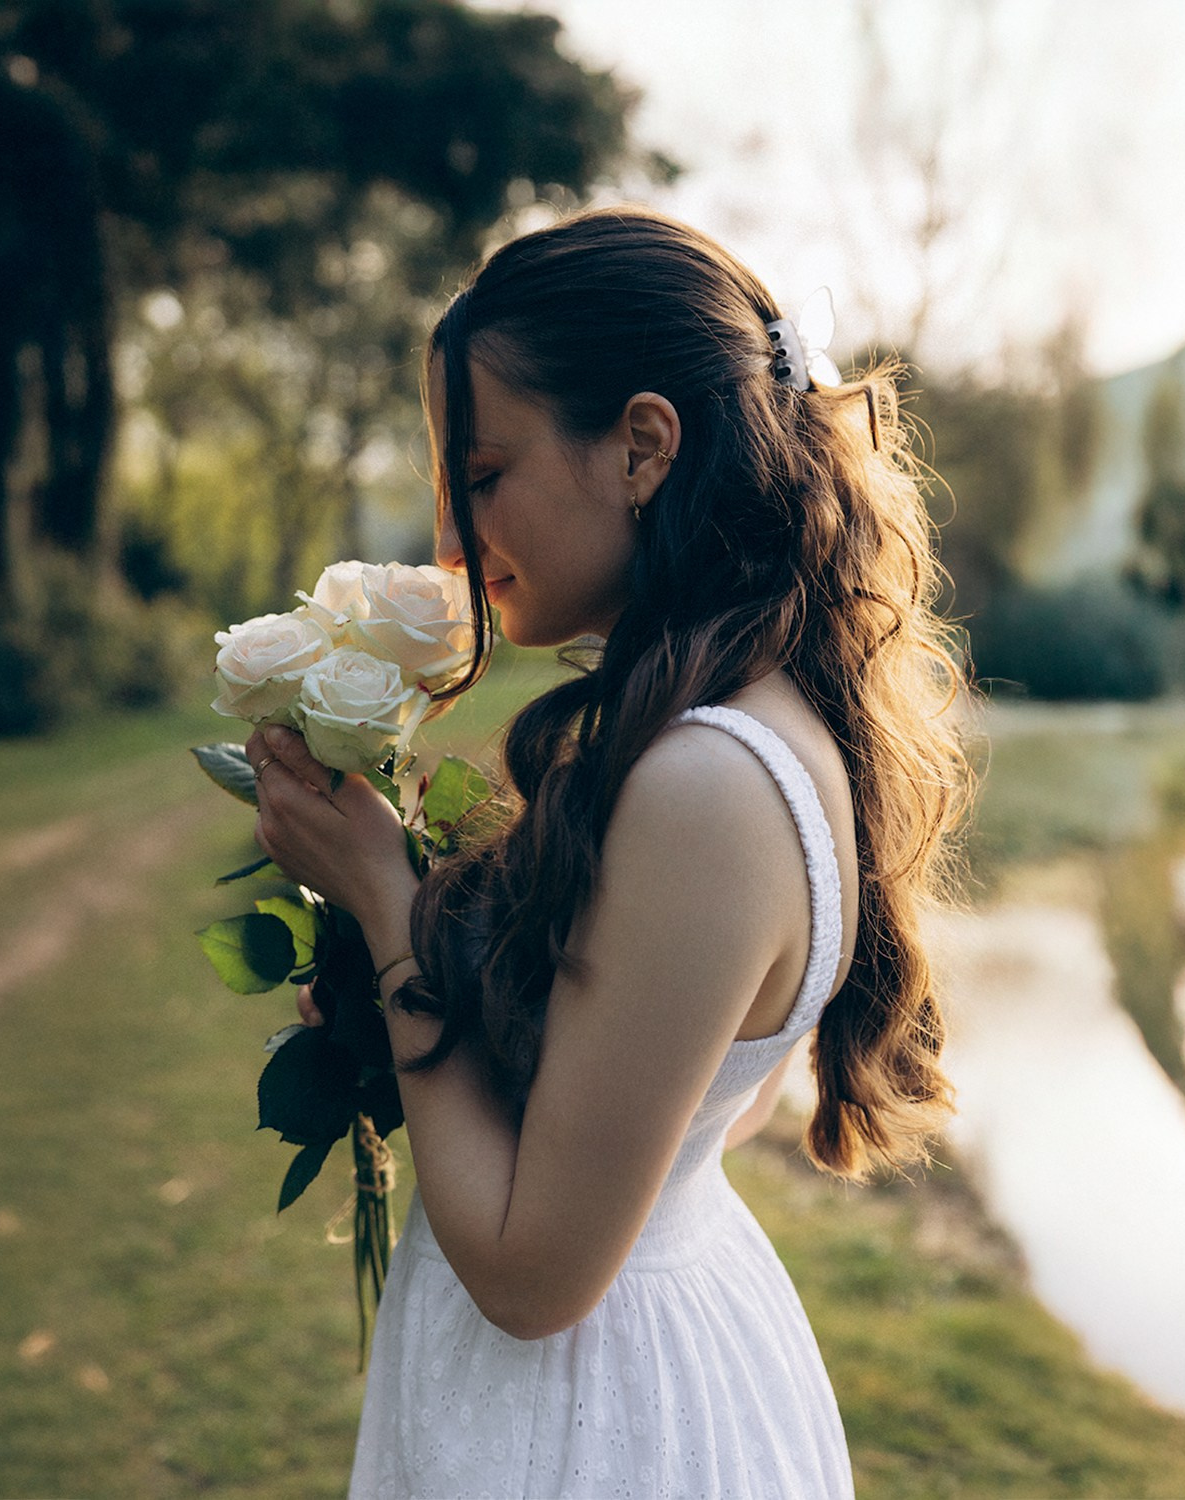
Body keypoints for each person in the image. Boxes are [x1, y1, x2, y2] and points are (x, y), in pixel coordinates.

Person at [246, 207, 968, 1499]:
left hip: (593, 1418)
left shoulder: (705, 784)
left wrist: (382, 900)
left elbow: (533, 1277)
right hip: (628, 1352)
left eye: (483, 474)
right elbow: (661, 1097)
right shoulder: (728, 719)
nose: (457, 543)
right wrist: (422, 993)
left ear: (640, 445)